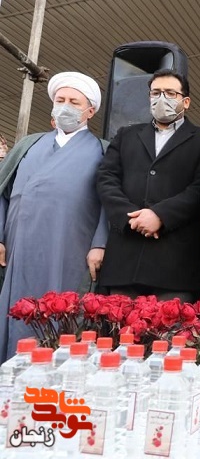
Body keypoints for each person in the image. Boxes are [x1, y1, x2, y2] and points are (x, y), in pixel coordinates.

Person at [0, 72, 108, 361]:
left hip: (70, 247)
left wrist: (100, 244)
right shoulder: (28, 145)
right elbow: (2, 192)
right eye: (60, 100)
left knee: (64, 311)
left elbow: (110, 202)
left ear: (90, 111)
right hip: (20, 246)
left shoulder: (102, 150)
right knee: (18, 309)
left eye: (74, 102)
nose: (65, 106)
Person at [96, 69, 200, 302]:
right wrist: (131, 217)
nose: (162, 98)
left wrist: (160, 215)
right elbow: (106, 178)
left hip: (174, 265)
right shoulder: (126, 135)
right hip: (125, 260)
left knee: (171, 326)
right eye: (156, 93)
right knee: (118, 325)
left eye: (170, 93)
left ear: (185, 102)